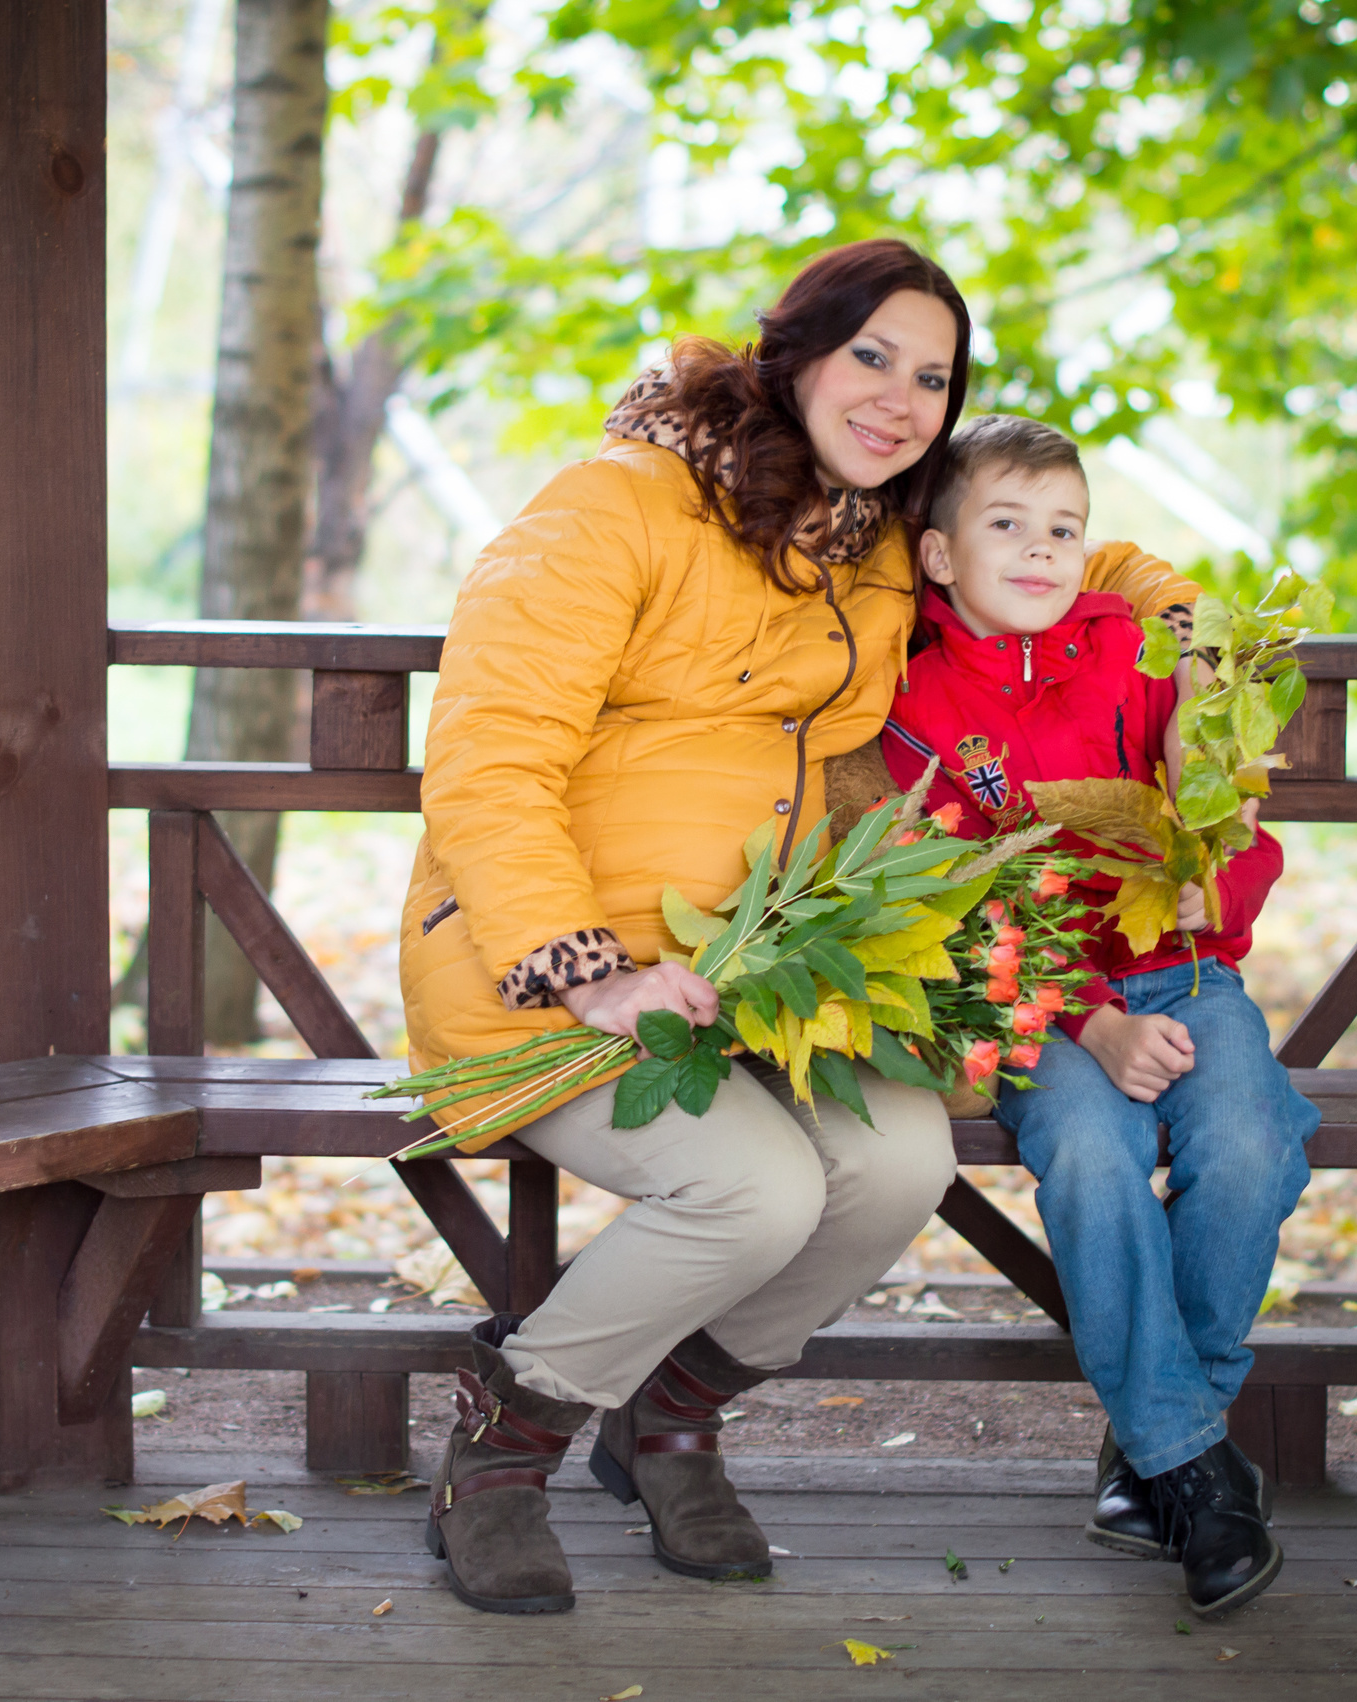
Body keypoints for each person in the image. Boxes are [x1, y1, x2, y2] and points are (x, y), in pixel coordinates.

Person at [399, 242, 1199, 1616]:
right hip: (550, 973)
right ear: (796, 352)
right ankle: (504, 1446)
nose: (900, 398)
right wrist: (590, 967)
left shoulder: (881, 538)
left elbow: (1093, 545)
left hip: (767, 970)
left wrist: (1190, 628)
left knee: (894, 1164)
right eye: (872, 355)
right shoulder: (617, 506)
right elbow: (488, 758)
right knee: (753, 1189)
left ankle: (669, 1418)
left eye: (934, 377)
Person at [878, 414, 1318, 1620]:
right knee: (1090, 1152)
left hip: (1182, 974)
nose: (1037, 551)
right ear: (937, 555)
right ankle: (1193, 1467)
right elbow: (960, 911)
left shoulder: (1136, 654)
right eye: (1004, 525)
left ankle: (1157, 1449)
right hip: (1044, 1006)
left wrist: (1205, 881)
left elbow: (1231, 825)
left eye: (1062, 529)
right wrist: (1090, 1024)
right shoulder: (915, 699)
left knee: (1248, 1142)